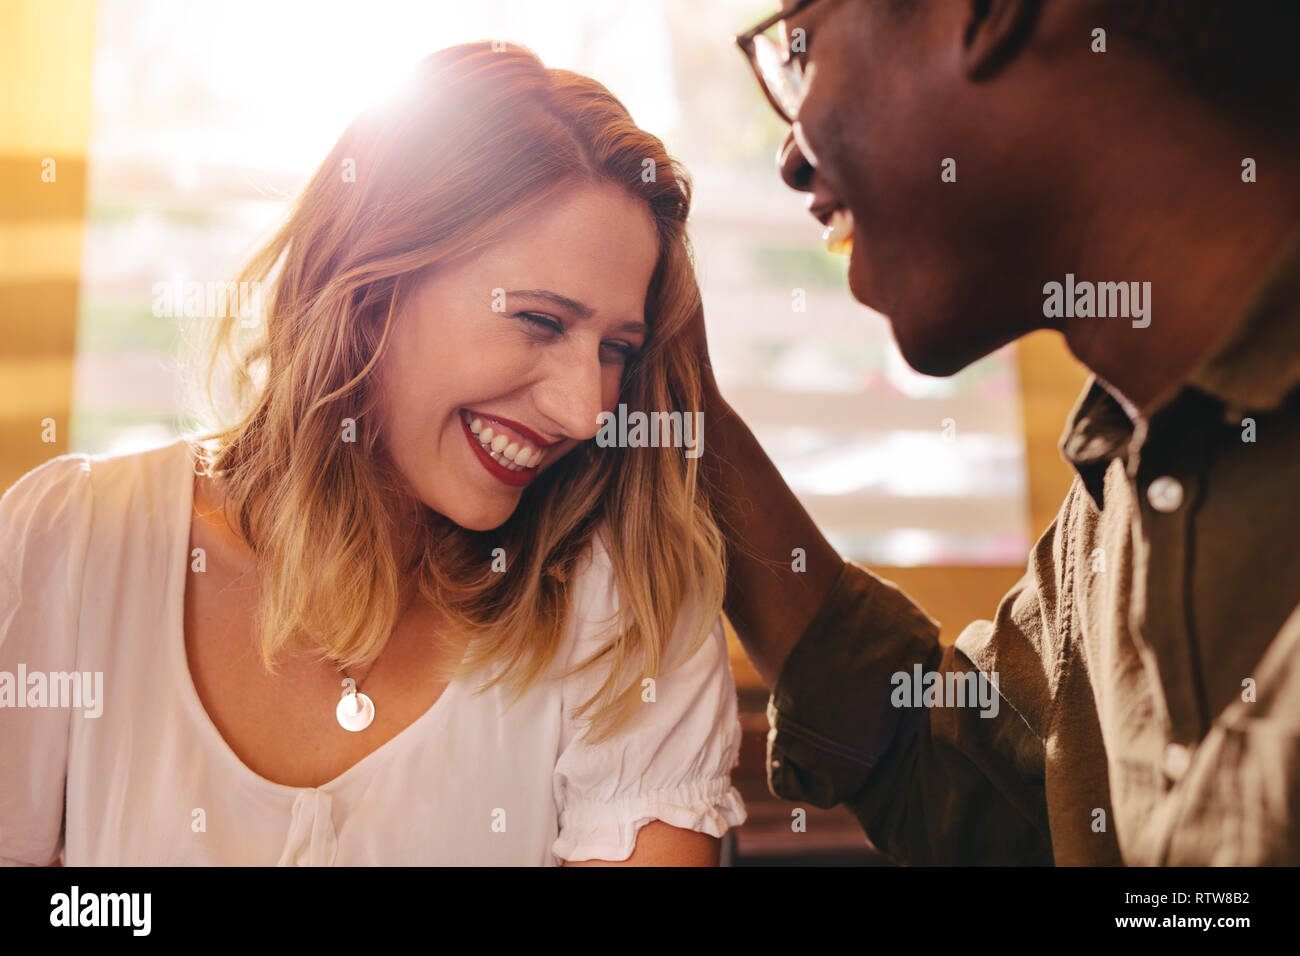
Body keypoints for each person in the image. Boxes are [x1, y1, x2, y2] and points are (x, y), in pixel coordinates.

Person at [0, 42, 746, 866]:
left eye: (617, 349)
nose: (584, 408)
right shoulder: (73, 547)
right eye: (538, 321)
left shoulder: (624, 612)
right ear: (369, 286)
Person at [698, 0, 1300, 863]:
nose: (791, 157)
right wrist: (685, 415)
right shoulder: (1120, 496)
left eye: (800, 51)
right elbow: (971, 787)